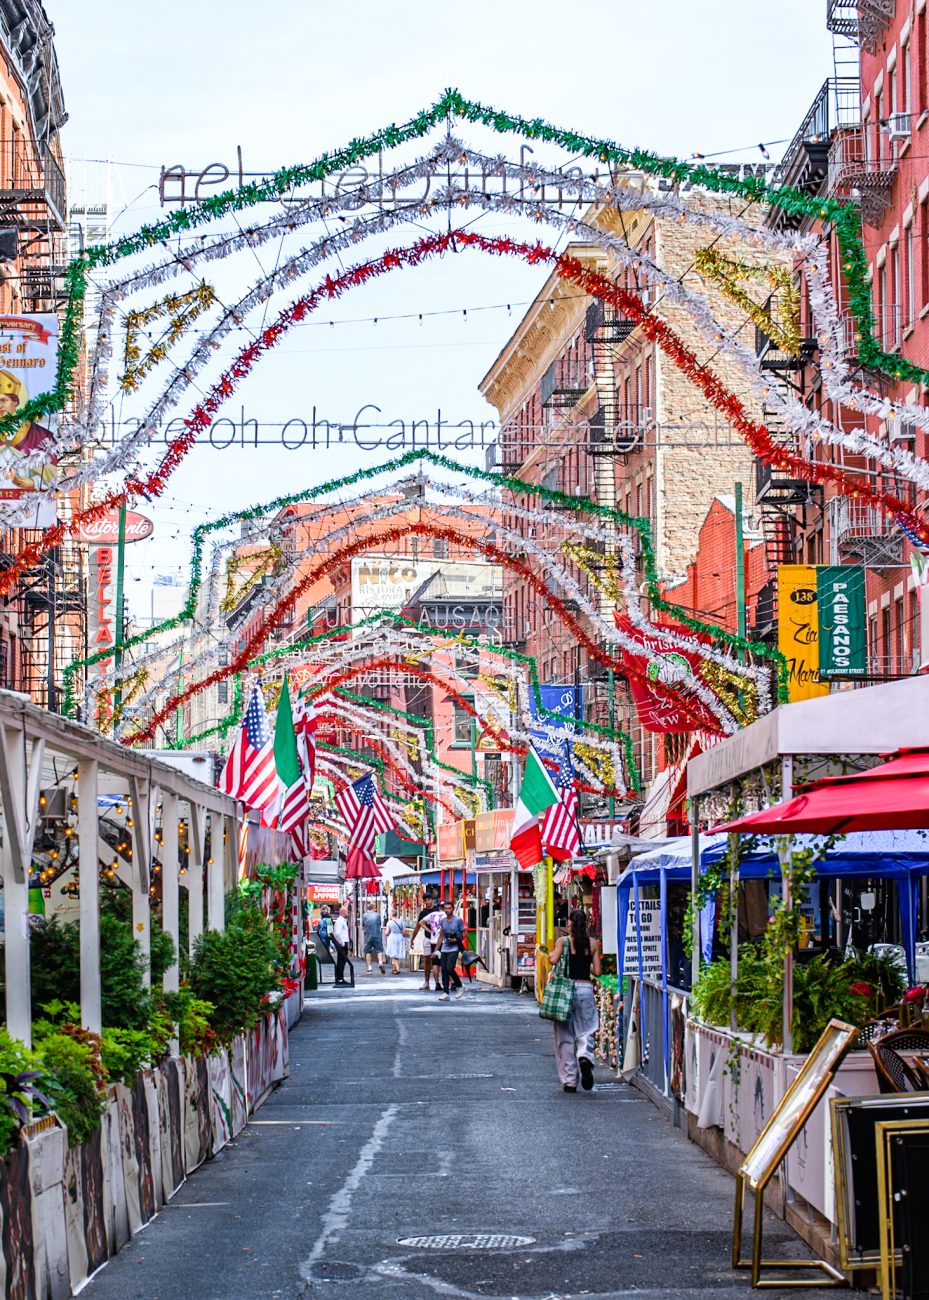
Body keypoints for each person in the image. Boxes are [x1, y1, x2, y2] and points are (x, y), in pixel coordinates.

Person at [548, 908, 601, 1092]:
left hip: (566, 990)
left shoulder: (562, 942)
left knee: (564, 1035)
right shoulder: (593, 943)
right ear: (586, 923)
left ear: (569, 923)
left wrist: (551, 954)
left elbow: (553, 960)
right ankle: (584, 1055)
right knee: (586, 1028)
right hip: (585, 989)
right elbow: (597, 972)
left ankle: (570, 1080)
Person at [410, 895, 443, 991]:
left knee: (439, 960)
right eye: (426, 900)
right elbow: (418, 926)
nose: (428, 901)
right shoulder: (423, 913)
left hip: (438, 939)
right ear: (424, 902)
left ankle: (440, 981)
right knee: (427, 960)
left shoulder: (437, 910)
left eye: (429, 899)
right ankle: (427, 982)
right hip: (428, 938)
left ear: (432, 900)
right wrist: (413, 939)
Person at [436, 898, 466, 1001]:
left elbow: (464, 933)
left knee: (449, 968)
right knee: (444, 970)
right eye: (445, 908)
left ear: (453, 909)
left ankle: (459, 985)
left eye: (449, 908)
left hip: (454, 947)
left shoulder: (458, 920)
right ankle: (445, 992)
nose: (447, 910)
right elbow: (441, 936)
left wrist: (456, 939)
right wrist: (436, 950)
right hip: (445, 948)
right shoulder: (443, 921)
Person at [362, 903, 386, 975]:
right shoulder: (377, 915)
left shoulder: (364, 915)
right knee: (379, 950)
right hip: (377, 935)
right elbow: (379, 924)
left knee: (368, 952)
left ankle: (369, 968)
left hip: (368, 936)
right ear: (374, 909)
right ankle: (380, 962)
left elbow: (363, 925)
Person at [332, 904, 351, 986]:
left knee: (341, 961)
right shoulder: (340, 921)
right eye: (347, 911)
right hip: (342, 944)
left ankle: (340, 978)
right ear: (343, 912)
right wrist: (342, 943)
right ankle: (340, 978)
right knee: (341, 961)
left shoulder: (341, 920)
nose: (348, 913)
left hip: (342, 943)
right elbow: (337, 933)